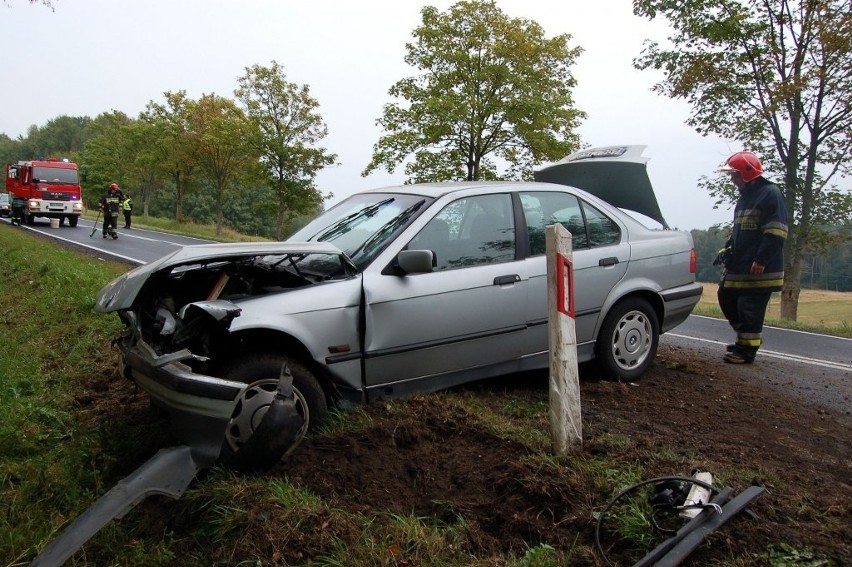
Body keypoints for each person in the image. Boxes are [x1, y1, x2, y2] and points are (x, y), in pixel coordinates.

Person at [715, 151, 788, 364]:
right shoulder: (746, 196)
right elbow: (741, 231)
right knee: (726, 295)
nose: (732, 179)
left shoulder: (770, 194)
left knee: (750, 307)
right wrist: (729, 248)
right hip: (742, 263)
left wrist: (761, 259)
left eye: (735, 175)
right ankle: (745, 339)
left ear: (747, 173)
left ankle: (746, 351)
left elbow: (776, 231)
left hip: (760, 267)